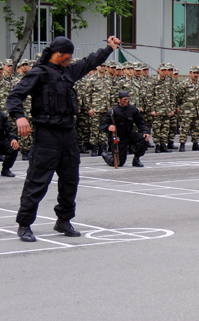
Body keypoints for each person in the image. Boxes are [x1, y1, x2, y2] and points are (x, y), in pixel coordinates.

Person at [7, 36, 120, 243]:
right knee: (37, 181)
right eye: (68, 56)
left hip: (68, 134)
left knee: (70, 180)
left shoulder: (68, 71)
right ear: (58, 54)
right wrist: (20, 116)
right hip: (46, 135)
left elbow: (89, 62)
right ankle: (24, 225)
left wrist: (109, 48)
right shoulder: (38, 73)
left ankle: (63, 220)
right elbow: (14, 96)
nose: (71, 60)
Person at [99, 91, 150, 167]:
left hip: (129, 134)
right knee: (119, 162)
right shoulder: (113, 111)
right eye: (124, 99)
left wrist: (146, 131)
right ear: (119, 100)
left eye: (128, 99)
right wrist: (108, 127)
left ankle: (136, 159)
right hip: (118, 137)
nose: (126, 101)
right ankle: (106, 156)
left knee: (143, 138)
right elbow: (102, 124)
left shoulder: (133, 110)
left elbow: (140, 122)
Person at [0, 110, 19, 177]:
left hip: (0, 142)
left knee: (13, 146)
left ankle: (5, 169)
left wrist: (13, 139)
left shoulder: (2, 116)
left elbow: (8, 130)